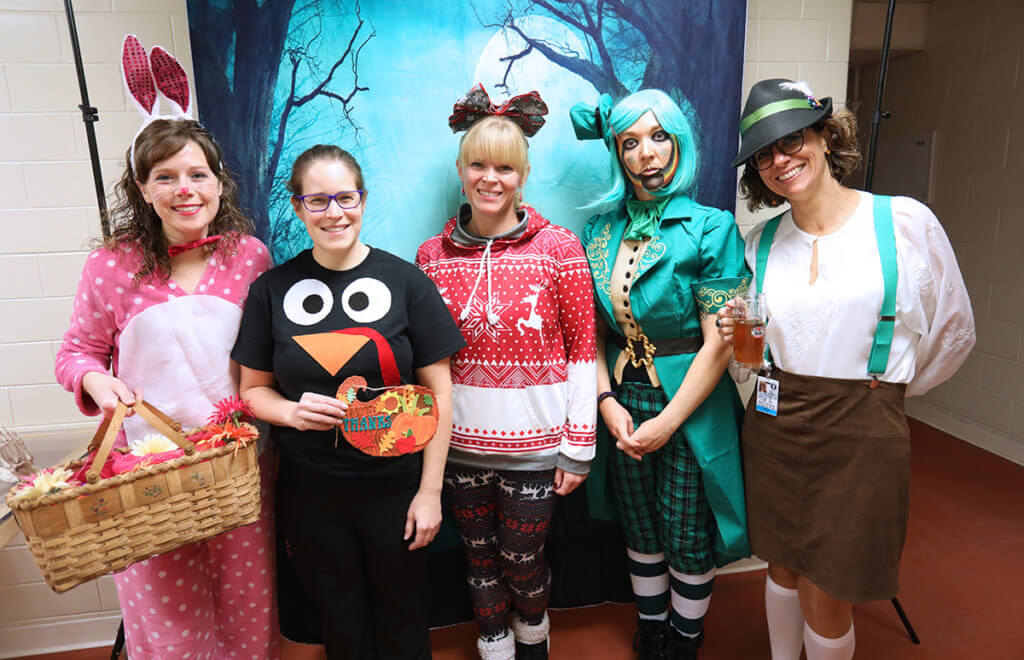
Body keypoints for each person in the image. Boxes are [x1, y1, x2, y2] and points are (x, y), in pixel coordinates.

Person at [717, 79, 975, 660]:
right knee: (781, 565)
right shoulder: (758, 242)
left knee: (829, 586)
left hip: (862, 428)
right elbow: (750, 352)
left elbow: (953, 331)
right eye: (764, 155)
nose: (780, 161)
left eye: (792, 141)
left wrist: (885, 393)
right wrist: (741, 344)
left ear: (826, 137)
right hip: (774, 423)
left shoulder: (903, 223)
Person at [54, 115, 277, 657]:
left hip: (239, 468)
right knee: (167, 615)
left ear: (219, 183)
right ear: (142, 188)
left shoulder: (250, 257)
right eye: (166, 177)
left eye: (198, 175)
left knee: (248, 605)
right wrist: (97, 382)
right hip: (150, 474)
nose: (185, 190)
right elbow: (75, 353)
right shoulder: (110, 266)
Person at [232, 144, 465, 660]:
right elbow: (252, 391)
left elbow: (440, 394)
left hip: (395, 488)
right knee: (340, 620)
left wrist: (430, 493)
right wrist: (290, 412)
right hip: (311, 492)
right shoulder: (271, 291)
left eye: (345, 197)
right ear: (297, 207)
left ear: (362, 200)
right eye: (317, 201)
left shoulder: (406, 283)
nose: (334, 212)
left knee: (402, 615)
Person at [416, 85, 597, 660]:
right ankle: (493, 646)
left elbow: (582, 352)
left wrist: (579, 447)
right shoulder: (430, 257)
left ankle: (533, 642)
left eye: (505, 167)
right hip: (459, 448)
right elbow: (428, 365)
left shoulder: (559, 248)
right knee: (477, 560)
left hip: (537, 450)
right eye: (478, 164)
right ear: (461, 170)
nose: (490, 178)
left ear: (522, 175)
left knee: (524, 561)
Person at [569, 89, 751, 660]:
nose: (646, 153)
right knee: (640, 523)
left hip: (691, 406)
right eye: (630, 142)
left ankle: (684, 640)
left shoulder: (711, 227)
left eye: (658, 137)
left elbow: (723, 342)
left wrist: (669, 421)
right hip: (624, 400)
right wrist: (605, 402)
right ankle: (651, 631)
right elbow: (590, 333)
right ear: (618, 153)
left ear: (678, 142)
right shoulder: (597, 231)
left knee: (685, 530)